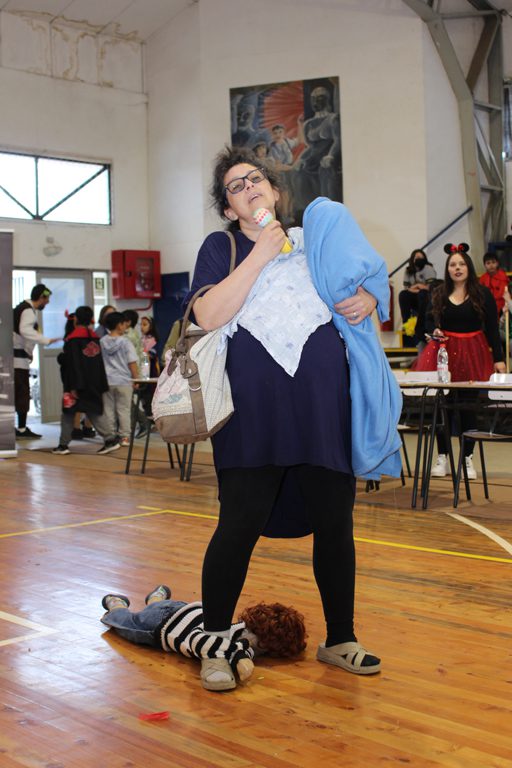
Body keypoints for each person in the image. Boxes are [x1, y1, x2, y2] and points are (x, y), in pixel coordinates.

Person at [183, 145, 383, 692]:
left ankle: (340, 639)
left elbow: (364, 279)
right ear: (229, 208)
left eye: (256, 179)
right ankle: (216, 642)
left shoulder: (315, 240)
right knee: (237, 525)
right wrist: (261, 253)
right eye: (235, 186)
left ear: (274, 190)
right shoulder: (222, 247)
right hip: (252, 414)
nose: (249, 188)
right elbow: (208, 314)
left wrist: (369, 297)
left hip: (321, 410)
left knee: (336, 526)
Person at [100, 585, 307, 691]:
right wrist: (237, 656)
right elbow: (197, 640)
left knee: (158, 607)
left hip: (186, 608)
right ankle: (115, 603)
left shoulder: (239, 626)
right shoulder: (243, 641)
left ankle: (157, 597)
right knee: (126, 624)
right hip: (160, 627)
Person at [413, 243, 506, 479]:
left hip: (473, 354)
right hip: (443, 354)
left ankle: (467, 459)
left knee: (467, 408)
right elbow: (426, 322)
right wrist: (433, 330)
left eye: (461, 264)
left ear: (468, 267)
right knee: (441, 407)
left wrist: (499, 359)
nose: (457, 268)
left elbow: (492, 329)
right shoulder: (438, 293)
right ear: (447, 269)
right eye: (453, 264)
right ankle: (443, 456)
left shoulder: (482, 293)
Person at [52, 306, 117, 456]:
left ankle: (63, 445)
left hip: (75, 384)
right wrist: (101, 383)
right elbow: (99, 363)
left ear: (76, 319)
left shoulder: (73, 340)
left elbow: (74, 364)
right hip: (94, 382)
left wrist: (75, 386)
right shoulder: (95, 338)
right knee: (94, 411)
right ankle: (110, 439)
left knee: (68, 413)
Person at [13, 283, 60, 439]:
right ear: (41, 297)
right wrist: (46, 340)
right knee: (21, 394)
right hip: (16, 361)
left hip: (16, 358)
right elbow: (25, 330)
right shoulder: (28, 311)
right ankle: (21, 429)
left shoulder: (22, 308)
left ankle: (20, 428)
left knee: (18, 394)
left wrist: (29, 351)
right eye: (47, 299)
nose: (48, 302)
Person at [100, 311, 139, 447]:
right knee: (124, 410)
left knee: (108, 410)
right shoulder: (126, 342)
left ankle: (110, 436)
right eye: (123, 324)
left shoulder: (102, 341)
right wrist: (136, 379)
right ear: (119, 325)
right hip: (124, 381)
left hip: (107, 381)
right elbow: (132, 362)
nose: (125, 326)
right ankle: (125, 437)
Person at [398, 249, 437, 345]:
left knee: (422, 293)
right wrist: (418, 286)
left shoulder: (428, 268)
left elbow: (431, 287)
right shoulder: (408, 271)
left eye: (421, 257)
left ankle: (421, 324)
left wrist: (417, 287)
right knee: (403, 294)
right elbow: (407, 288)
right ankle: (406, 324)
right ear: (413, 259)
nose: (419, 259)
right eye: (417, 257)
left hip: (426, 297)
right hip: (414, 295)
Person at [478, 252, 509, 318]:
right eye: (488, 263)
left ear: (497, 263)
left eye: (493, 262)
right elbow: (480, 294)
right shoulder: (482, 278)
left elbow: (502, 294)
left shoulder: (503, 276)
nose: (491, 265)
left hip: (501, 306)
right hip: (486, 306)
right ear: (484, 265)